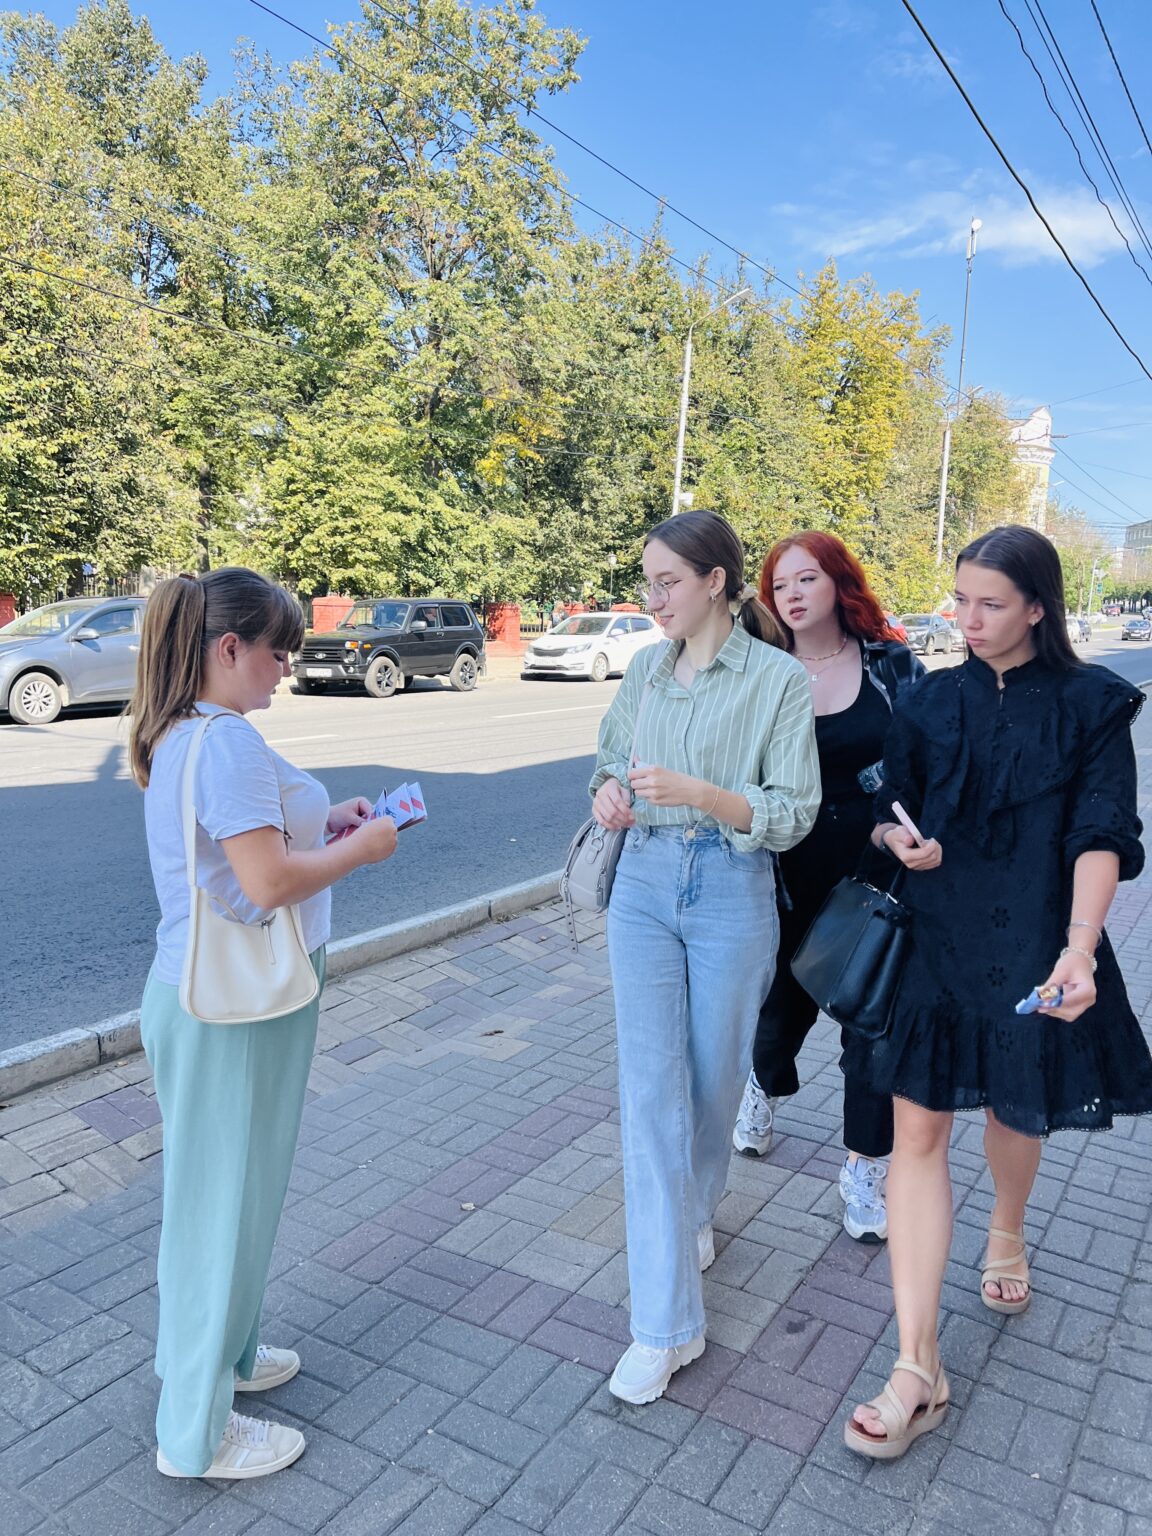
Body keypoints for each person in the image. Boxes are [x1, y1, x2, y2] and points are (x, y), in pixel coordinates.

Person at [845, 525, 1152, 1460]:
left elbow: (1102, 831)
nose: (967, 620)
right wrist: (897, 840)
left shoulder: (1093, 705)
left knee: (1017, 1109)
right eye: (960, 599)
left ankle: (1007, 1231)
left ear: (1037, 608)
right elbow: (886, 807)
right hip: (935, 939)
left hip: (1034, 940)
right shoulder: (930, 699)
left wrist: (1081, 949)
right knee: (917, 1133)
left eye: (989, 603)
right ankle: (918, 1365)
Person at [128, 569, 398, 1480]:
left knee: (232, 1200)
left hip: (216, 997)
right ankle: (194, 1435)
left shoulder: (186, 729)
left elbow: (256, 847)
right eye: (278, 652)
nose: (287, 667)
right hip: (231, 1005)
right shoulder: (228, 742)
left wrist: (329, 822)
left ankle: (223, 1359)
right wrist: (362, 851)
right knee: (218, 1211)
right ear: (228, 647)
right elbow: (266, 881)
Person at [589, 509, 821, 1405]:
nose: (653, 600)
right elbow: (608, 762)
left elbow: (792, 811)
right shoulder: (646, 670)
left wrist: (705, 794)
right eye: (648, 582)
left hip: (731, 886)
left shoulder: (778, 680)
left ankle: (694, 1212)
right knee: (649, 1096)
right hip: (644, 883)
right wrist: (610, 794)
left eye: (668, 582)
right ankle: (665, 1326)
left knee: (715, 1082)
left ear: (715, 582)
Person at [732, 532, 923, 1243]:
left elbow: (926, 761)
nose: (792, 595)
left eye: (807, 579)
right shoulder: (758, 666)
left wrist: (908, 831)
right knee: (781, 1011)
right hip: (784, 867)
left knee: (872, 1022)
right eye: (780, 585)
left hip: (875, 864)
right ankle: (763, 1085)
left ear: (840, 582)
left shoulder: (890, 663)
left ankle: (865, 1166)